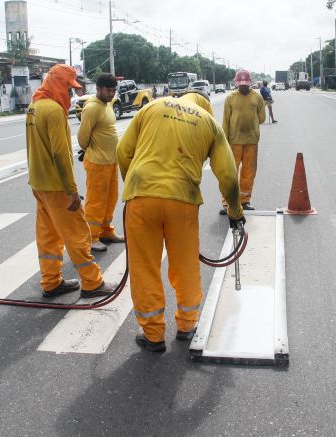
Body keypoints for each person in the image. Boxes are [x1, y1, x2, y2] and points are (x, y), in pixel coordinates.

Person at [117, 92, 245, 352]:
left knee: (145, 267)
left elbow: (123, 151)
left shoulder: (151, 107)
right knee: (185, 265)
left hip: (141, 197)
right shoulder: (208, 122)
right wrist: (235, 211)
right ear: (204, 106)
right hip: (183, 200)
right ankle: (187, 325)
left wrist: (133, 186)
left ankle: (152, 333)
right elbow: (229, 177)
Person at [25, 64, 116, 298]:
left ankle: (51, 281)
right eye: (68, 87)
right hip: (56, 186)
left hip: (39, 183)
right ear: (57, 84)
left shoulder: (34, 107)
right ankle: (92, 282)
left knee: (48, 236)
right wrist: (71, 191)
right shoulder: (54, 111)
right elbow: (60, 154)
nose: (70, 94)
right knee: (77, 233)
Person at [77, 73, 124, 253]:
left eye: (113, 90)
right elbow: (82, 138)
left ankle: (105, 231)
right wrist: (94, 149)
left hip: (111, 162)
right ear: (98, 89)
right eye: (108, 90)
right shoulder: (92, 108)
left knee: (110, 200)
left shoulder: (108, 104)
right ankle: (91, 237)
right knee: (96, 202)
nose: (111, 94)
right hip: (97, 163)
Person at [220, 69, 265, 213]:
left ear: (250, 83)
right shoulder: (230, 98)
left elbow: (262, 117)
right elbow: (225, 121)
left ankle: (245, 201)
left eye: (245, 85)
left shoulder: (257, 98)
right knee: (230, 172)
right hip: (234, 142)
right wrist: (224, 140)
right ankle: (228, 203)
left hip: (251, 141)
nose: (243, 87)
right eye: (241, 85)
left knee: (248, 171)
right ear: (237, 84)